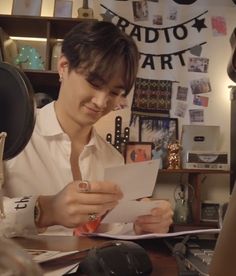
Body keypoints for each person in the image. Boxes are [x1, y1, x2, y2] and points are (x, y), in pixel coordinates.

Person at [3, 21, 173, 237]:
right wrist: (45, 210)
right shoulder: (11, 134)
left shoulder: (111, 159)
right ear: (63, 67)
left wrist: (140, 225)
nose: (101, 102)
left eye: (114, 93)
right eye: (94, 82)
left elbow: (108, 230)